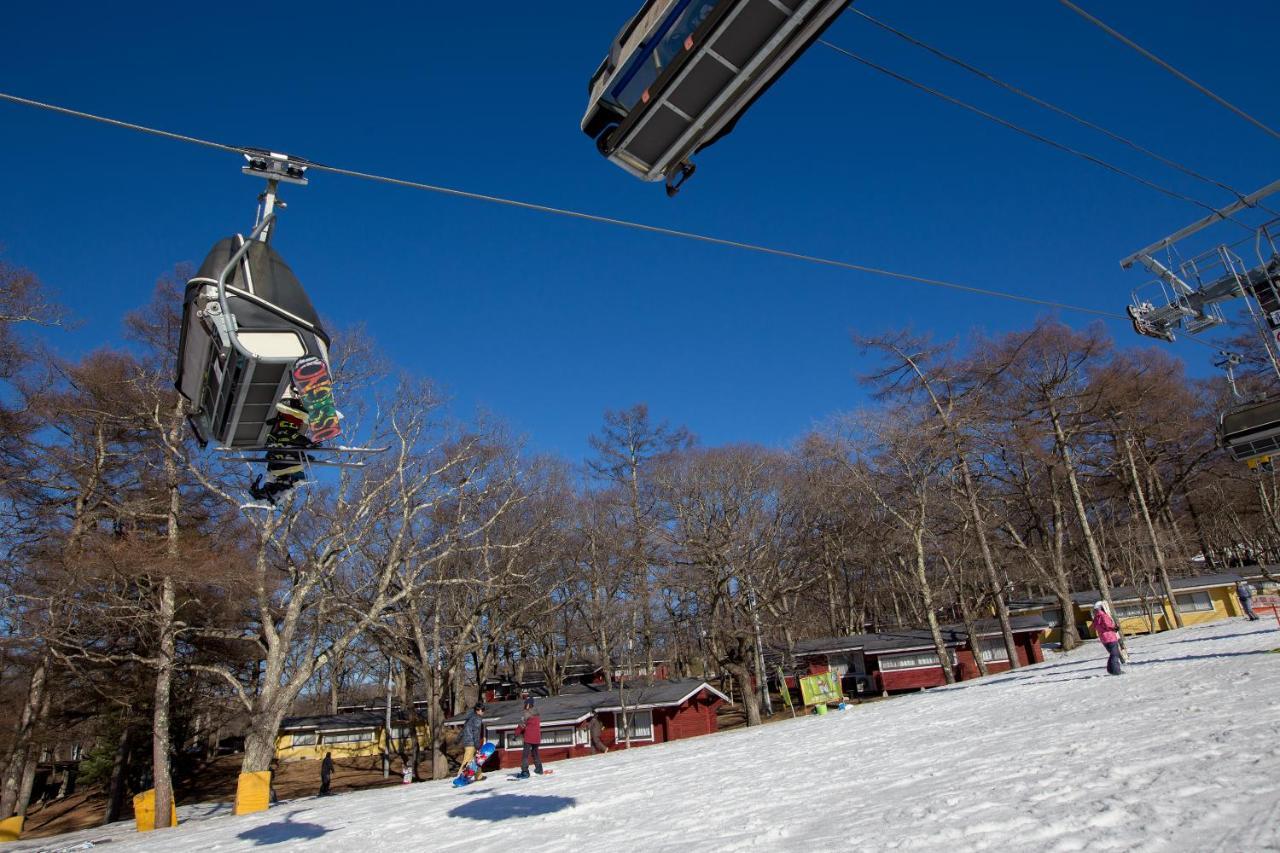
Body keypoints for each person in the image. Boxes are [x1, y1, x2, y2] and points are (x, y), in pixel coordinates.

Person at [456, 702, 487, 783]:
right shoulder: (477, 718)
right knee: (468, 760)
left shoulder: (470, 717)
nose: (483, 711)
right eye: (482, 710)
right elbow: (475, 732)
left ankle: (479, 776)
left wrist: (458, 739)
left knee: (477, 759)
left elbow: (463, 730)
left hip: (467, 741)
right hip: (471, 742)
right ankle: (460, 777)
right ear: (478, 710)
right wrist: (477, 744)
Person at [1091, 601, 1123, 676]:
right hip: (1110, 637)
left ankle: (1114, 669)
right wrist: (1115, 628)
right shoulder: (1104, 616)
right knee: (1115, 654)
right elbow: (1107, 625)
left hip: (1104, 639)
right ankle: (1115, 671)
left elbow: (1095, 627)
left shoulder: (1096, 617)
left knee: (1113, 654)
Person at [515, 698, 543, 778]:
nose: (524, 706)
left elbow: (521, 726)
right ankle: (539, 769)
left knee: (525, 755)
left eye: (525, 704)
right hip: (537, 737)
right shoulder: (537, 714)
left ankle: (525, 772)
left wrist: (516, 734)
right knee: (535, 754)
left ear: (528, 705)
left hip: (528, 738)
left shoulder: (527, 713)